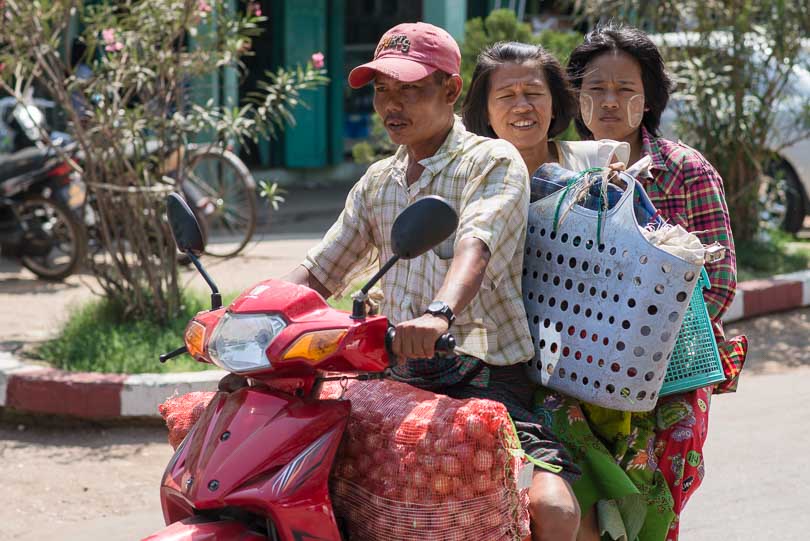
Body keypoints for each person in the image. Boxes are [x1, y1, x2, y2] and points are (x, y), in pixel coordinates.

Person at [283, 22, 582, 541]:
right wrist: (253, 315)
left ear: (450, 90)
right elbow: (321, 266)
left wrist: (439, 311)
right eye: (382, 90)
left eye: (410, 89)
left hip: (483, 379)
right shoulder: (378, 180)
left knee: (552, 510)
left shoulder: (489, 161)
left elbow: (477, 244)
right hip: (396, 377)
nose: (391, 104)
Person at [531, 23, 745, 541]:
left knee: (652, 513)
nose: (609, 101)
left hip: (671, 378)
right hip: (570, 379)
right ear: (574, 97)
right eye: (595, 88)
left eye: (625, 89)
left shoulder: (686, 171)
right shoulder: (550, 169)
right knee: (577, 516)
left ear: (648, 98)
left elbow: (718, 282)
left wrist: (642, 339)